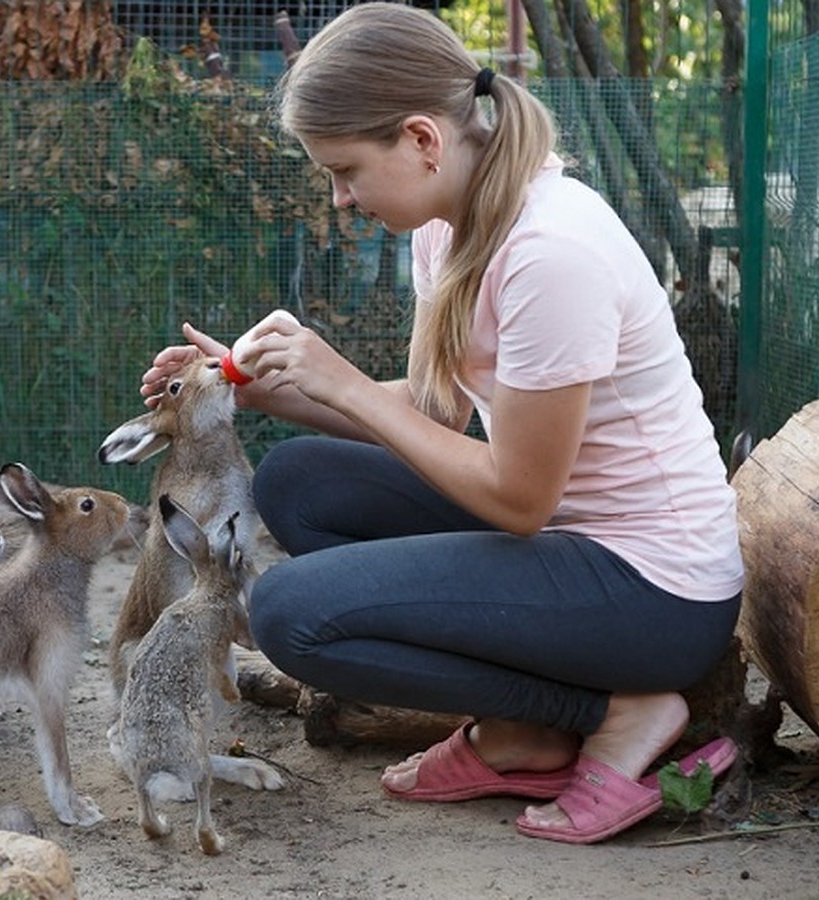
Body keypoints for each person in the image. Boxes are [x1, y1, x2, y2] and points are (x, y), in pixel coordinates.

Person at [139, 1, 745, 845]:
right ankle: (521, 734)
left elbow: (520, 500)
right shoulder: (451, 225)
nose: (341, 197)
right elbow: (434, 412)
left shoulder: (549, 252)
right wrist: (262, 391)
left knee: (287, 614)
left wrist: (344, 383)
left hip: (653, 594)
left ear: (421, 139)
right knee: (300, 482)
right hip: (568, 540)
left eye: (346, 170)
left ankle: (611, 710)